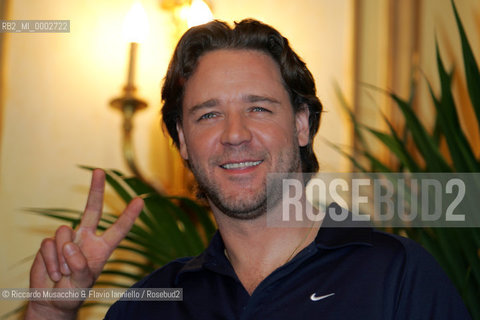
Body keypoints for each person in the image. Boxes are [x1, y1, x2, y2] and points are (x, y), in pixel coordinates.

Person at [26, 19, 471, 319]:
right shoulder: (149, 305)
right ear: (182, 141)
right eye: (208, 115)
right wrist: (50, 312)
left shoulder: (397, 275)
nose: (235, 134)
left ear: (301, 124)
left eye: (258, 108)